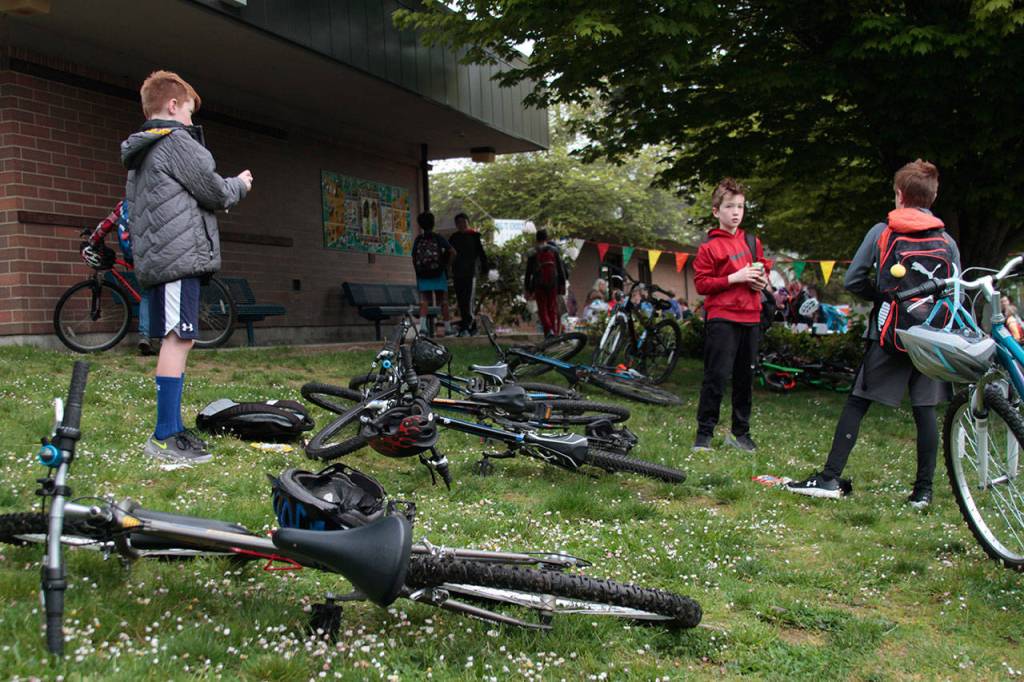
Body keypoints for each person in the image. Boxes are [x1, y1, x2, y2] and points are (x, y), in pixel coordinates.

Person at [787, 159, 959, 508]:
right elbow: (955, 291)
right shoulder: (946, 240)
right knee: (925, 412)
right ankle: (923, 492)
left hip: (890, 334)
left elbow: (853, 280)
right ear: (933, 195)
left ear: (899, 194)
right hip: (931, 338)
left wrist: (883, 297)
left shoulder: (882, 232)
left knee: (857, 402)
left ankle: (830, 476)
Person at [123, 70, 252, 465]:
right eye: (191, 113)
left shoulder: (144, 151)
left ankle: (173, 430)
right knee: (178, 339)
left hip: (164, 256)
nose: (193, 122)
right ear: (173, 106)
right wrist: (240, 185)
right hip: (178, 257)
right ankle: (165, 435)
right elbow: (212, 189)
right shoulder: (175, 141)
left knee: (179, 338)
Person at [692, 178, 770, 453]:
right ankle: (704, 434)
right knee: (716, 376)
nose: (735, 212)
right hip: (722, 318)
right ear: (716, 211)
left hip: (751, 316)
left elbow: (764, 271)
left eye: (740, 207)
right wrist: (734, 277)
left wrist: (760, 281)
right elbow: (701, 284)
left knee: (744, 378)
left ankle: (741, 433)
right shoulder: (708, 248)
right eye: (729, 207)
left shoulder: (752, 241)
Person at [412, 212, 455, 336]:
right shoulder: (438, 237)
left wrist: (418, 271)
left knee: (424, 301)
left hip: (423, 274)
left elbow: (414, 258)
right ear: (433, 223)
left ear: (420, 225)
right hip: (438, 272)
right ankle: (447, 329)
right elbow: (452, 251)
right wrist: (447, 265)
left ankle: (423, 329)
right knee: (444, 301)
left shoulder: (418, 239)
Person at [448, 213, 491, 336]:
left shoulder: (474, 236)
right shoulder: (454, 238)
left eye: (463, 221)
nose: (461, 224)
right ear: (456, 225)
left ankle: (469, 325)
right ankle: (467, 326)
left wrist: (485, 269)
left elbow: (482, 254)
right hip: (457, 272)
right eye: (458, 222)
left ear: (468, 222)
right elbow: (448, 254)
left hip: (470, 272)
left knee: (468, 300)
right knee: (461, 300)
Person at [524, 229, 568, 337]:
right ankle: (551, 332)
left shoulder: (533, 252)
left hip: (539, 284)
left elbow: (528, 272)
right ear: (546, 238)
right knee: (551, 308)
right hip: (553, 283)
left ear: (536, 239)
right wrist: (562, 285)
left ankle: (549, 331)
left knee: (542, 308)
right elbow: (560, 269)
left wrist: (527, 288)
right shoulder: (554, 251)